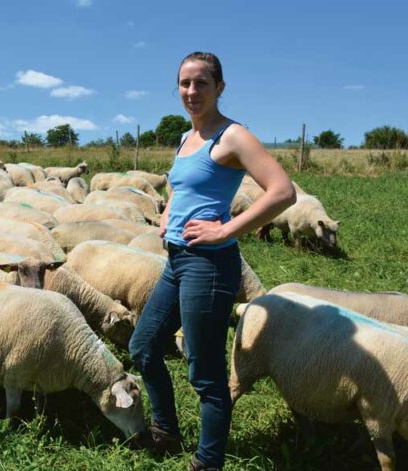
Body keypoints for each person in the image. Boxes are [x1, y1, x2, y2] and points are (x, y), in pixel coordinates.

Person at [128, 52, 296, 470]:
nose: (191, 91)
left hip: (210, 266)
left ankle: (208, 462)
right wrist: (168, 213)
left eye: (201, 83)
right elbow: (182, 188)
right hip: (176, 261)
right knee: (144, 346)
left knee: (205, 374)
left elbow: (283, 191)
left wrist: (226, 229)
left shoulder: (233, 136)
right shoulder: (187, 139)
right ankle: (165, 431)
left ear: (220, 87)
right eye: (184, 83)